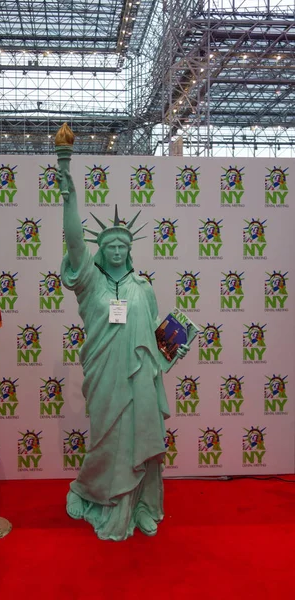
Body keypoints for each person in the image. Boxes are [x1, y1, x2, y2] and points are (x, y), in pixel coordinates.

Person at [58, 164, 188, 542]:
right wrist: (70, 197)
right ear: (102, 250)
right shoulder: (89, 281)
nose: (115, 250)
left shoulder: (143, 287)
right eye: (109, 245)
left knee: (141, 440)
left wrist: (173, 346)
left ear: (130, 250)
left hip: (141, 380)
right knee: (106, 439)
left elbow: (154, 334)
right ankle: (95, 494)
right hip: (103, 375)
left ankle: (142, 507)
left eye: (122, 245)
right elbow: (74, 244)